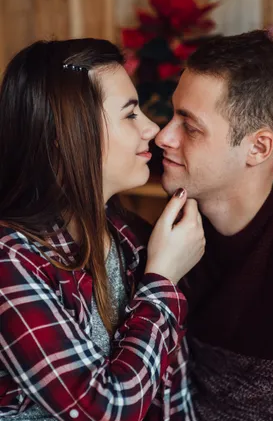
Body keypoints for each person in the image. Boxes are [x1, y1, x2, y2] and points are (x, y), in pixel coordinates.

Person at [0, 38, 205, 420]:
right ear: (64, 135)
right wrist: (161, 281)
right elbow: (103, 410)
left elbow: (171, 391)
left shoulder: (131, 236)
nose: (152, 129)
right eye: (130, 115)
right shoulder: (11, 260)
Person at [155, 30, 273, 420]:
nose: (163, 136)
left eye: (190, 125)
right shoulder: (170, 233)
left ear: (258, 148)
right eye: (172, 115)